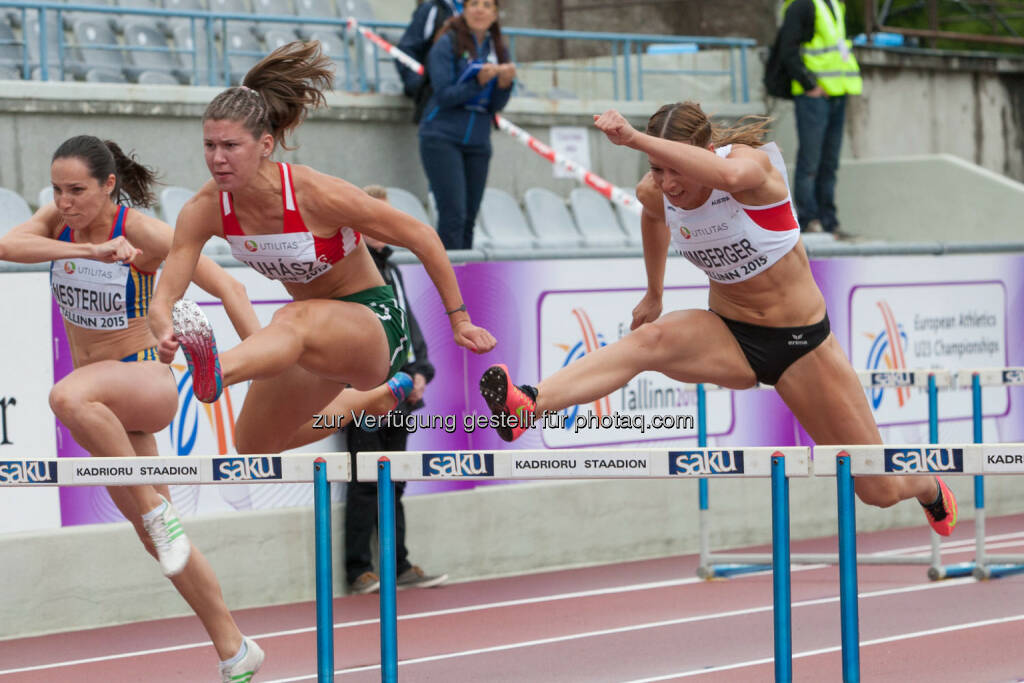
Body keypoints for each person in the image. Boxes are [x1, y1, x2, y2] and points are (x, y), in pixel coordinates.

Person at [478, 103, 958, 537]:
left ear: (706, 152)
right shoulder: (657, 190)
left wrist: (634, 139)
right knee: (650, 342)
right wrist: (654, 291)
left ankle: (924, 484)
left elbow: (725, 180)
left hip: (801, 346)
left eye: (676, 169)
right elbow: (652, 217)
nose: (667, 184)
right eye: (656, 170)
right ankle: (530, 405)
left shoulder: (753, 168)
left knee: (875, 488)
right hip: (728, 332)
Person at [147, 41, 496, 467]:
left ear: (266, 145)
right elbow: (166, 295)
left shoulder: (315, 194)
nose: (217, 159)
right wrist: (164, 331)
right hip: (312, 336)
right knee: (254, 444)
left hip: (372, 325)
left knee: (291, 317)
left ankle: (216, 371)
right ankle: (371, 400)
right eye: (209, 145)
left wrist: (459, 319)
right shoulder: (205, 209)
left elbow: (422, 236)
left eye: (230, 146)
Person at [0, 135, 266, 682]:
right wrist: (88, 251)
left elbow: (229, 288)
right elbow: (8, 246)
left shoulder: (140, 230)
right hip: (108, 405)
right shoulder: (60, 223)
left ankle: (151, 509)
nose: (65, 200)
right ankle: (235, 649)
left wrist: (260, 365)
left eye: (77, 190)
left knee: (66, 396)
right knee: (160, 543)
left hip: (146, 380)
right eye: (57, 190)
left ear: (109, 185)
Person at [418, 0, 515, 250]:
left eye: (486, 5)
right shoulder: (446, 42)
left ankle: (465, 276)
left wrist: (505, 85)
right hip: (441, 137)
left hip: (479, 141)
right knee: (453, 216)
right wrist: (478, 82)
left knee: (470, 217)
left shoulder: (498, 48)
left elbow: (495, 105)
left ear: (494, 14)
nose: (480, 9)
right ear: (464, 10)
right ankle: (448, 282)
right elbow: (443, 95)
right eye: (473, 3)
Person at [775, 0, 861, 236]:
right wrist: (809, 84)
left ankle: (829, 221)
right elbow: (788, 49)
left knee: (829, 163)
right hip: (814, 96)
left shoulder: (835, 4)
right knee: (810, 163)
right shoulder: (802, 5)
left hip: (838, 91)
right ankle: (808, 220)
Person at [396, 0, 461, 106]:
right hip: (434, 101)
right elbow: (406, 50)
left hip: (467, 99)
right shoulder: (432, 9)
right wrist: (420, 85)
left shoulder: (481, 13)